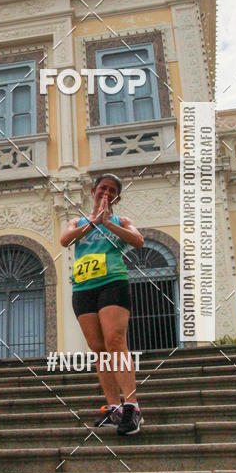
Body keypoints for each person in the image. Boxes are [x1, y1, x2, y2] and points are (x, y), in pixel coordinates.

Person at [60, 173, 144, 435]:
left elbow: (138, 240)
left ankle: (132, 406)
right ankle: (113, 408)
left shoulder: (122, 221)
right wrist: (95, 222)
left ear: (117, 198)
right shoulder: (77, 221)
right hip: (83, 288)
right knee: (99, 349)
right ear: (93, 191)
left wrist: (107, 223)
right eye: (102, 188)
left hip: (112, 283)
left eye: (112, 191)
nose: (106, 193)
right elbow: (65, 240)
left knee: (115, 341)